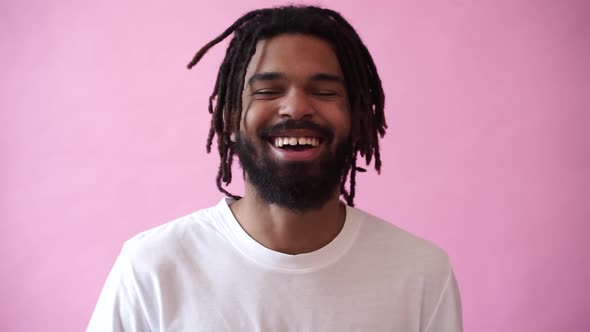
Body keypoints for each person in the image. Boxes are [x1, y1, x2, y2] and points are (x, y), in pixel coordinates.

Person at [87, 5, 463, 331]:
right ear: (230, 117)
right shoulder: (153, 267)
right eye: (267, 91)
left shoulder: (421, 274)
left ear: (359, 117)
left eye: (325, 91)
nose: (296, 108)